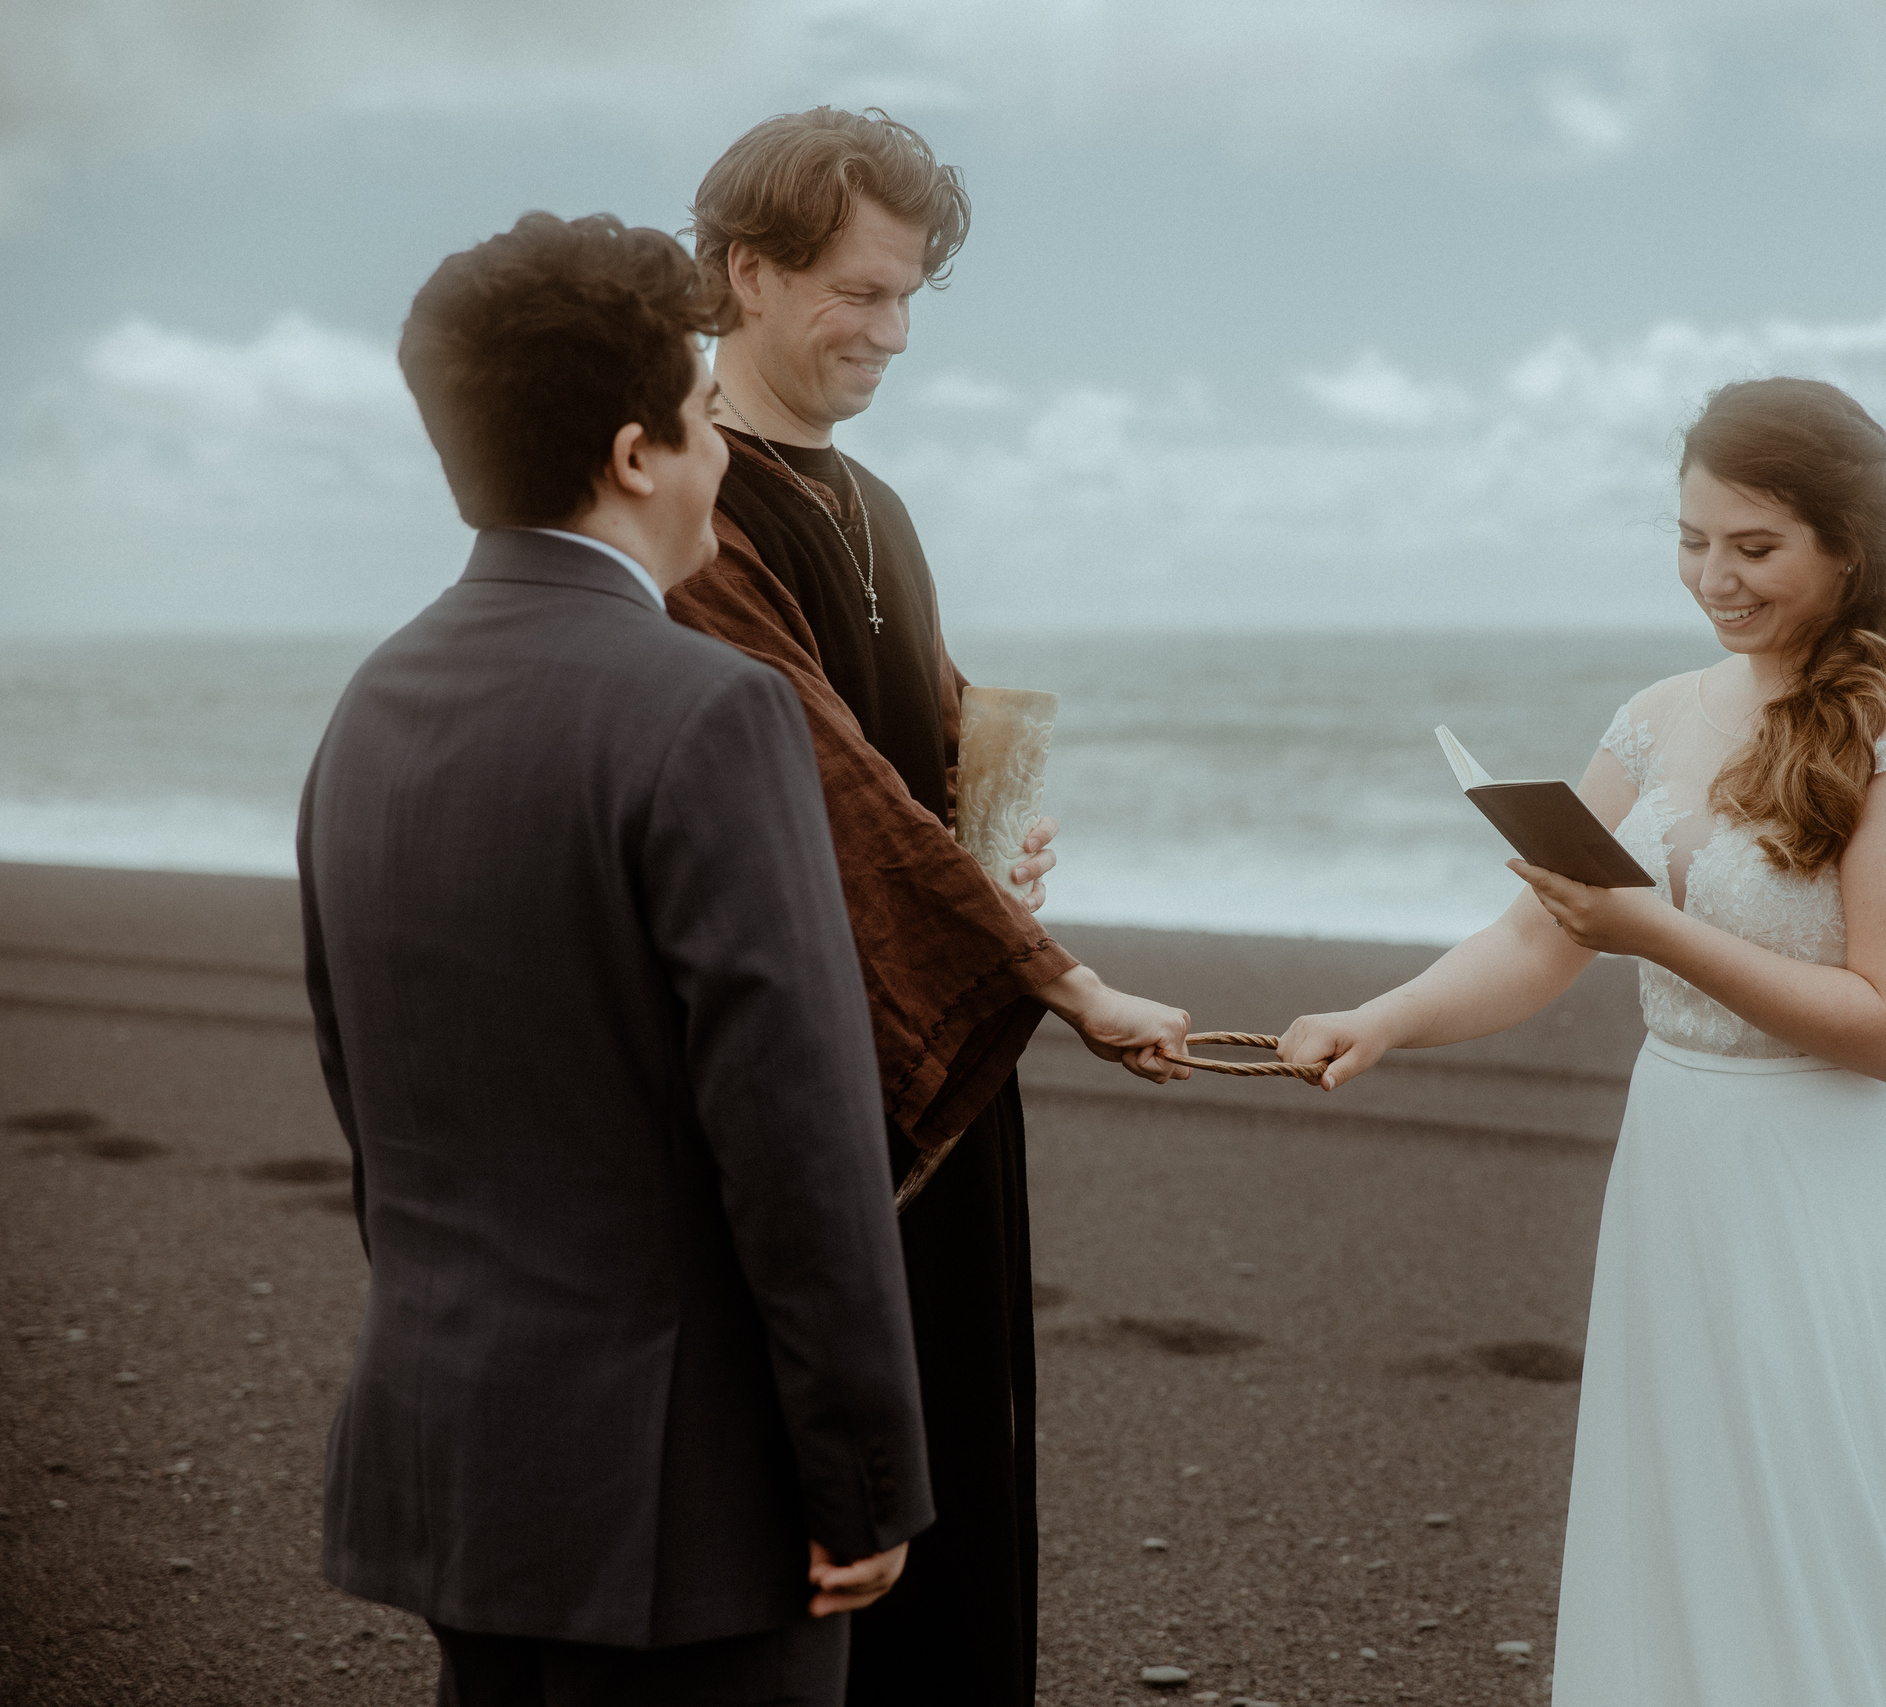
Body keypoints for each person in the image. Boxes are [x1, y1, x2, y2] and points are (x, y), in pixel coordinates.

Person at [1281, 378, 1886, 1704]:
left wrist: (1655, 932)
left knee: (1849, 1534)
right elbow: (1536, 940)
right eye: (1691, 540)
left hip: (1854, 1185)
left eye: (1754, 547)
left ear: (1847, 547)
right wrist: (1382, 1020)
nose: (1714, 578)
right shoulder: (1660, 716)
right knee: (1710, 1529)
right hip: (1686, 1171)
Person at [300, 211, 929, 1704]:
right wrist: (862, 1473)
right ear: (641, 454)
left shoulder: (372, 700)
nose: (724, 452)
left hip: (455, 1458)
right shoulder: (709, 711)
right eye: (708, 419)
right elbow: (798, 1133)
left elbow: (368, 1101)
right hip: (688, 1499)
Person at [666, 107, 1192, 1702]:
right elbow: (820, 784)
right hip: (805, 1060)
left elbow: (936, 741)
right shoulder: (690, 500)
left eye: (909, 299)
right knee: (827, 1481)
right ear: (746, 275)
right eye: (857, 293)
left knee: (963, 1436)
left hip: (948, 1034)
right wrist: (1064, 980)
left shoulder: (873, 500)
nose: (890, 334)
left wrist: (1002, 836)